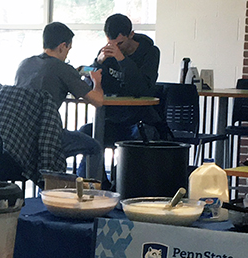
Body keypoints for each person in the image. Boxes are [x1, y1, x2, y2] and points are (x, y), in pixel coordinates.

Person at [14, 21, 106, 181]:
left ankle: (50, 188)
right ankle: (90, 192)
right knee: (95, 147)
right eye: (68, 49)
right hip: (46, 136)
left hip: (18, 135)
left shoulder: (25, 64)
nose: (67, 54)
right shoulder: (63, 69)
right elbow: (98, 101)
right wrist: (96, 81)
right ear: (63, 46)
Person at [80, 13, 161, 145]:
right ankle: (91, 167)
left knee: (141, 136)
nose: (116, 47)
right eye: (110, 43)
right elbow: (88, 73)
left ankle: (122, 167)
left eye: (120, 43)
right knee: (87, 133)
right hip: (112, 117)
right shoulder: (106, 52)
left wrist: (122, 60)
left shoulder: (150, 52)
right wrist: (97, 62)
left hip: (140, 118)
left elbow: (142, 88)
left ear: (131, 35)